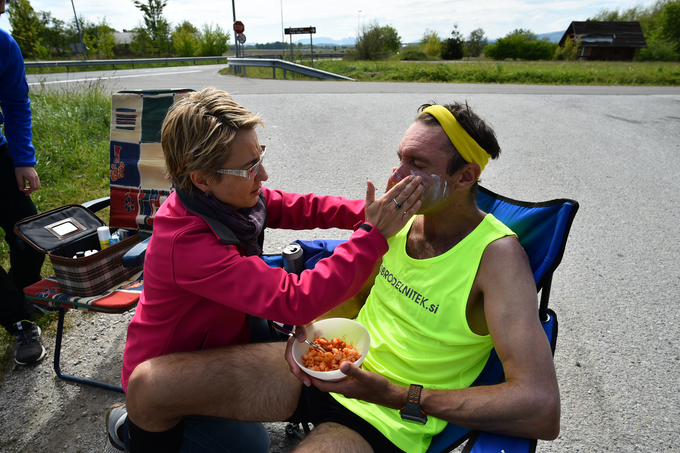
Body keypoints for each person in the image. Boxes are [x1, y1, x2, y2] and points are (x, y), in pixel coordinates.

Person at [116, 100, 561, 453]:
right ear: (203, 179)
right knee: (149, 385)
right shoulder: (400, 224)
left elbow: (541, 408)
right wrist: (310, 334)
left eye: (416, 165)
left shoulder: (498, 258)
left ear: (465, 176)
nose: (395, 179)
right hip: (326, 368)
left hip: (386, 412)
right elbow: (341, 292)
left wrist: (400, 395)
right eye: (398, 160)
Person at [103, 87, 423, 452]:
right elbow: (296, 300)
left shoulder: (225, 199)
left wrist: (367, 213)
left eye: (260, 156)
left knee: (256, 430)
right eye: (249, 167)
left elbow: (299, 206)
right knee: (252, 446)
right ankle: (131, 427)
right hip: (168, 376)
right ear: (202, 178)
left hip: (221, 342)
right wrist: (373, 235)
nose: (264, 175)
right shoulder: (186, 243)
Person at [0, 0, 47, 366]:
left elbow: (16, 103)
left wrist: (23, 160)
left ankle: (15, 297)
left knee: (32, 237)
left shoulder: (4, 44)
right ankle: (19, 320)